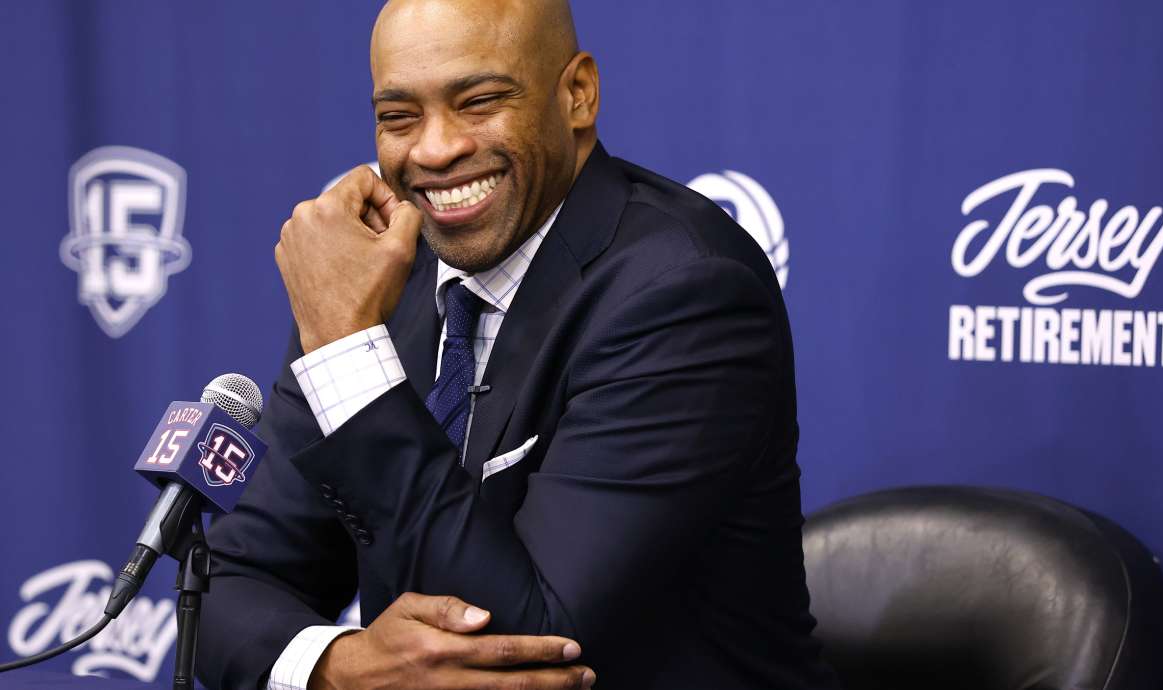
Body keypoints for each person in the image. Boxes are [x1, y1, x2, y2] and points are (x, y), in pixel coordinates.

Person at [199, 1, 841, 689]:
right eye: (398, 117)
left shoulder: (684, 291)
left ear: (578, 94)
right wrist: (338, 668)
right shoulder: (380, 280)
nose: (434, 149)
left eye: (478, 102)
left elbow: (527, 646)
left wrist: (350, 358)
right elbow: (219, 589)